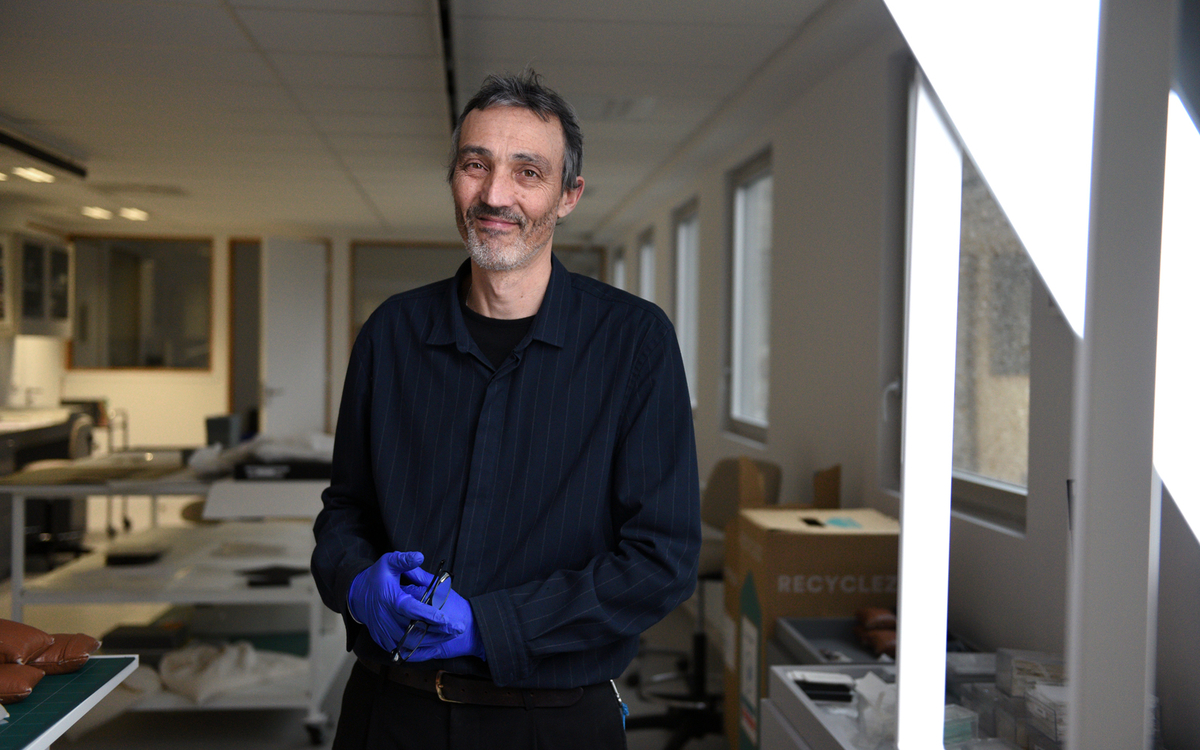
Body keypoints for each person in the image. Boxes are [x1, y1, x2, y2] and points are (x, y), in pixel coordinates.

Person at [312, 70, 701, 750]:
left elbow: (660, 561)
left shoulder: (634, 343)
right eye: (475, 165)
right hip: (389, 714)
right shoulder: (392, 335)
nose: (495, 194)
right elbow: (345, 512)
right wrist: (355, 582)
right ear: (454, 179)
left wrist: (492, 626)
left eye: (528, 171)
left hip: (552, 723)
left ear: (568, 194)